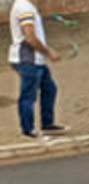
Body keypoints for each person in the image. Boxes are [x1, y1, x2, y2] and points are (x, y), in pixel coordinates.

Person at [8, 0, 68, 138]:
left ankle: (47, 124)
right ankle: (28, 129)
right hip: (28, 60)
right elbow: (30, 37)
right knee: (28, 96)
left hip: (35, 59)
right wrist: (48, 52)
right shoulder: (24, 7)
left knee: (50, 89)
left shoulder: (27, 6)